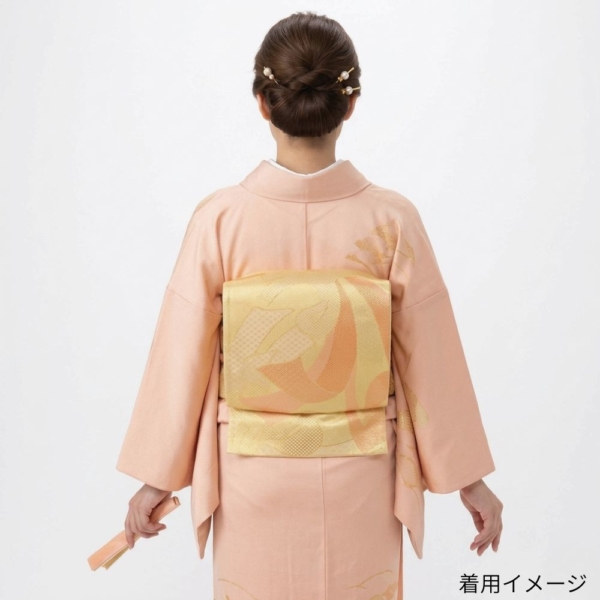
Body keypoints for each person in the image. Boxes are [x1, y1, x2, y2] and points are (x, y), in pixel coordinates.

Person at [116, 10, 503, 600]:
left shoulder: (220, 220)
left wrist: (156, 479)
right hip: (362, 472)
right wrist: (469, 480)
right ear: (350, 105)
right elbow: (431, 355)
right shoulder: (392, 220)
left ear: (262, 103)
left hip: (251, 471)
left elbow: (181, 357)